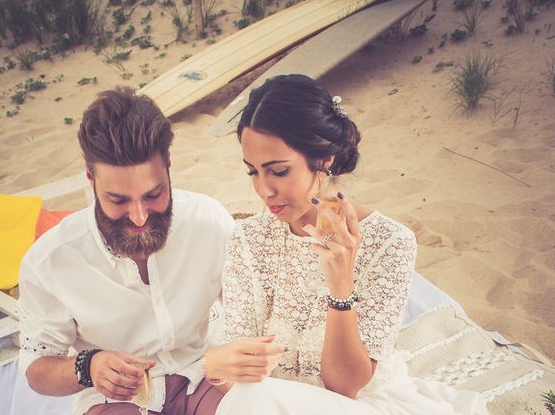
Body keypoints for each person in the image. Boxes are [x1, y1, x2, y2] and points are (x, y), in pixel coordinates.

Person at [202, 75, 489, 414]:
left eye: (278, 171)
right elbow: (241, 373)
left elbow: (346, 386)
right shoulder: (248, 238)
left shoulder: (390, 243)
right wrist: (220, 366)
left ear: (323, 159)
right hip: (268, 401)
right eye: (252, 172)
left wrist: (340, 284)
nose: (264, 190)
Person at [17, 88, 235, 415]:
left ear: (169, 167)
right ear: (91, 180)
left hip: (203, 375)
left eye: (153, 194)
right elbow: (36, 366)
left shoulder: (209, 220)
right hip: (119, 401)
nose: (139, 216)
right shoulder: (50, 260)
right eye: (118, 200)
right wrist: (87, 367)